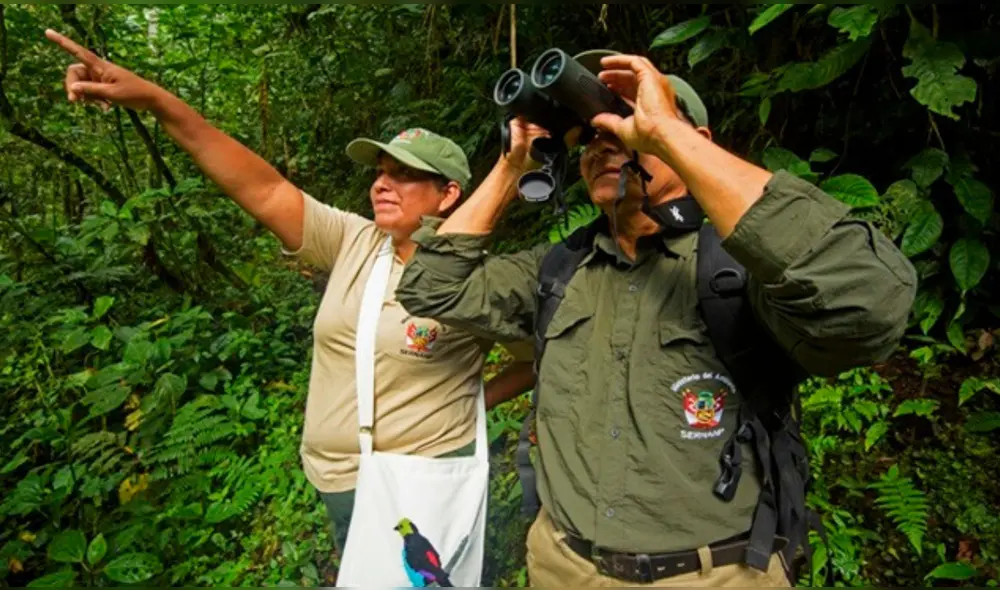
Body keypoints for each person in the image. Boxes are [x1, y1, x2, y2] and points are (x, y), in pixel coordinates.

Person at [396, 49, 918, 587]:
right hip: (564, 566)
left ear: (693, 142)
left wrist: (667, 133)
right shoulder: (558, 270)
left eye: (626, 126)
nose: (606, 141)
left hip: (713, 574)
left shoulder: (737, 270)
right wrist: (512, 166)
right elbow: (431, 286)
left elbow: (872, 304)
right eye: (592, 135)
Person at [44, 28, 537, 572]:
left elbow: (531, 359)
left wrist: (465, 408)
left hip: (419, 484)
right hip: (339, 480)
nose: (382, 184)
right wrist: (158, 101)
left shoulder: (479, 283)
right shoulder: (352, 240)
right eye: (379, 172)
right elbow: (262, 188)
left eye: (405, 174)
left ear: (448, 194)